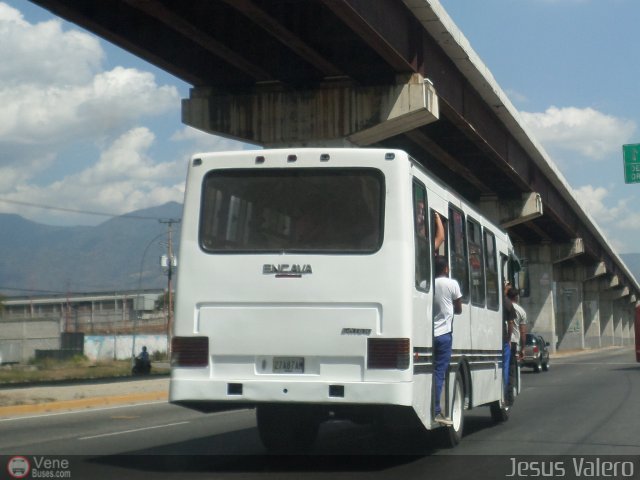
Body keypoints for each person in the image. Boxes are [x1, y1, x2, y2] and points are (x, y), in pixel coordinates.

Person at [432, 256, 462, 425]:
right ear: (445, 269)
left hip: (429, 335)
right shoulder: (452, 284)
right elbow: (459, 309)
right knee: (439, 372)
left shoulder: (426, 284)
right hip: (444, 335)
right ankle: (436, 410)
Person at [507, 287, 527, 404]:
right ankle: (509, 398)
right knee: (511, 370)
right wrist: (523, 349)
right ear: (516, 297)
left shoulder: (504, 306)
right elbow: (523, 331)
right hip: (514, 342)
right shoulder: (521, 311)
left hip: (504, 340)